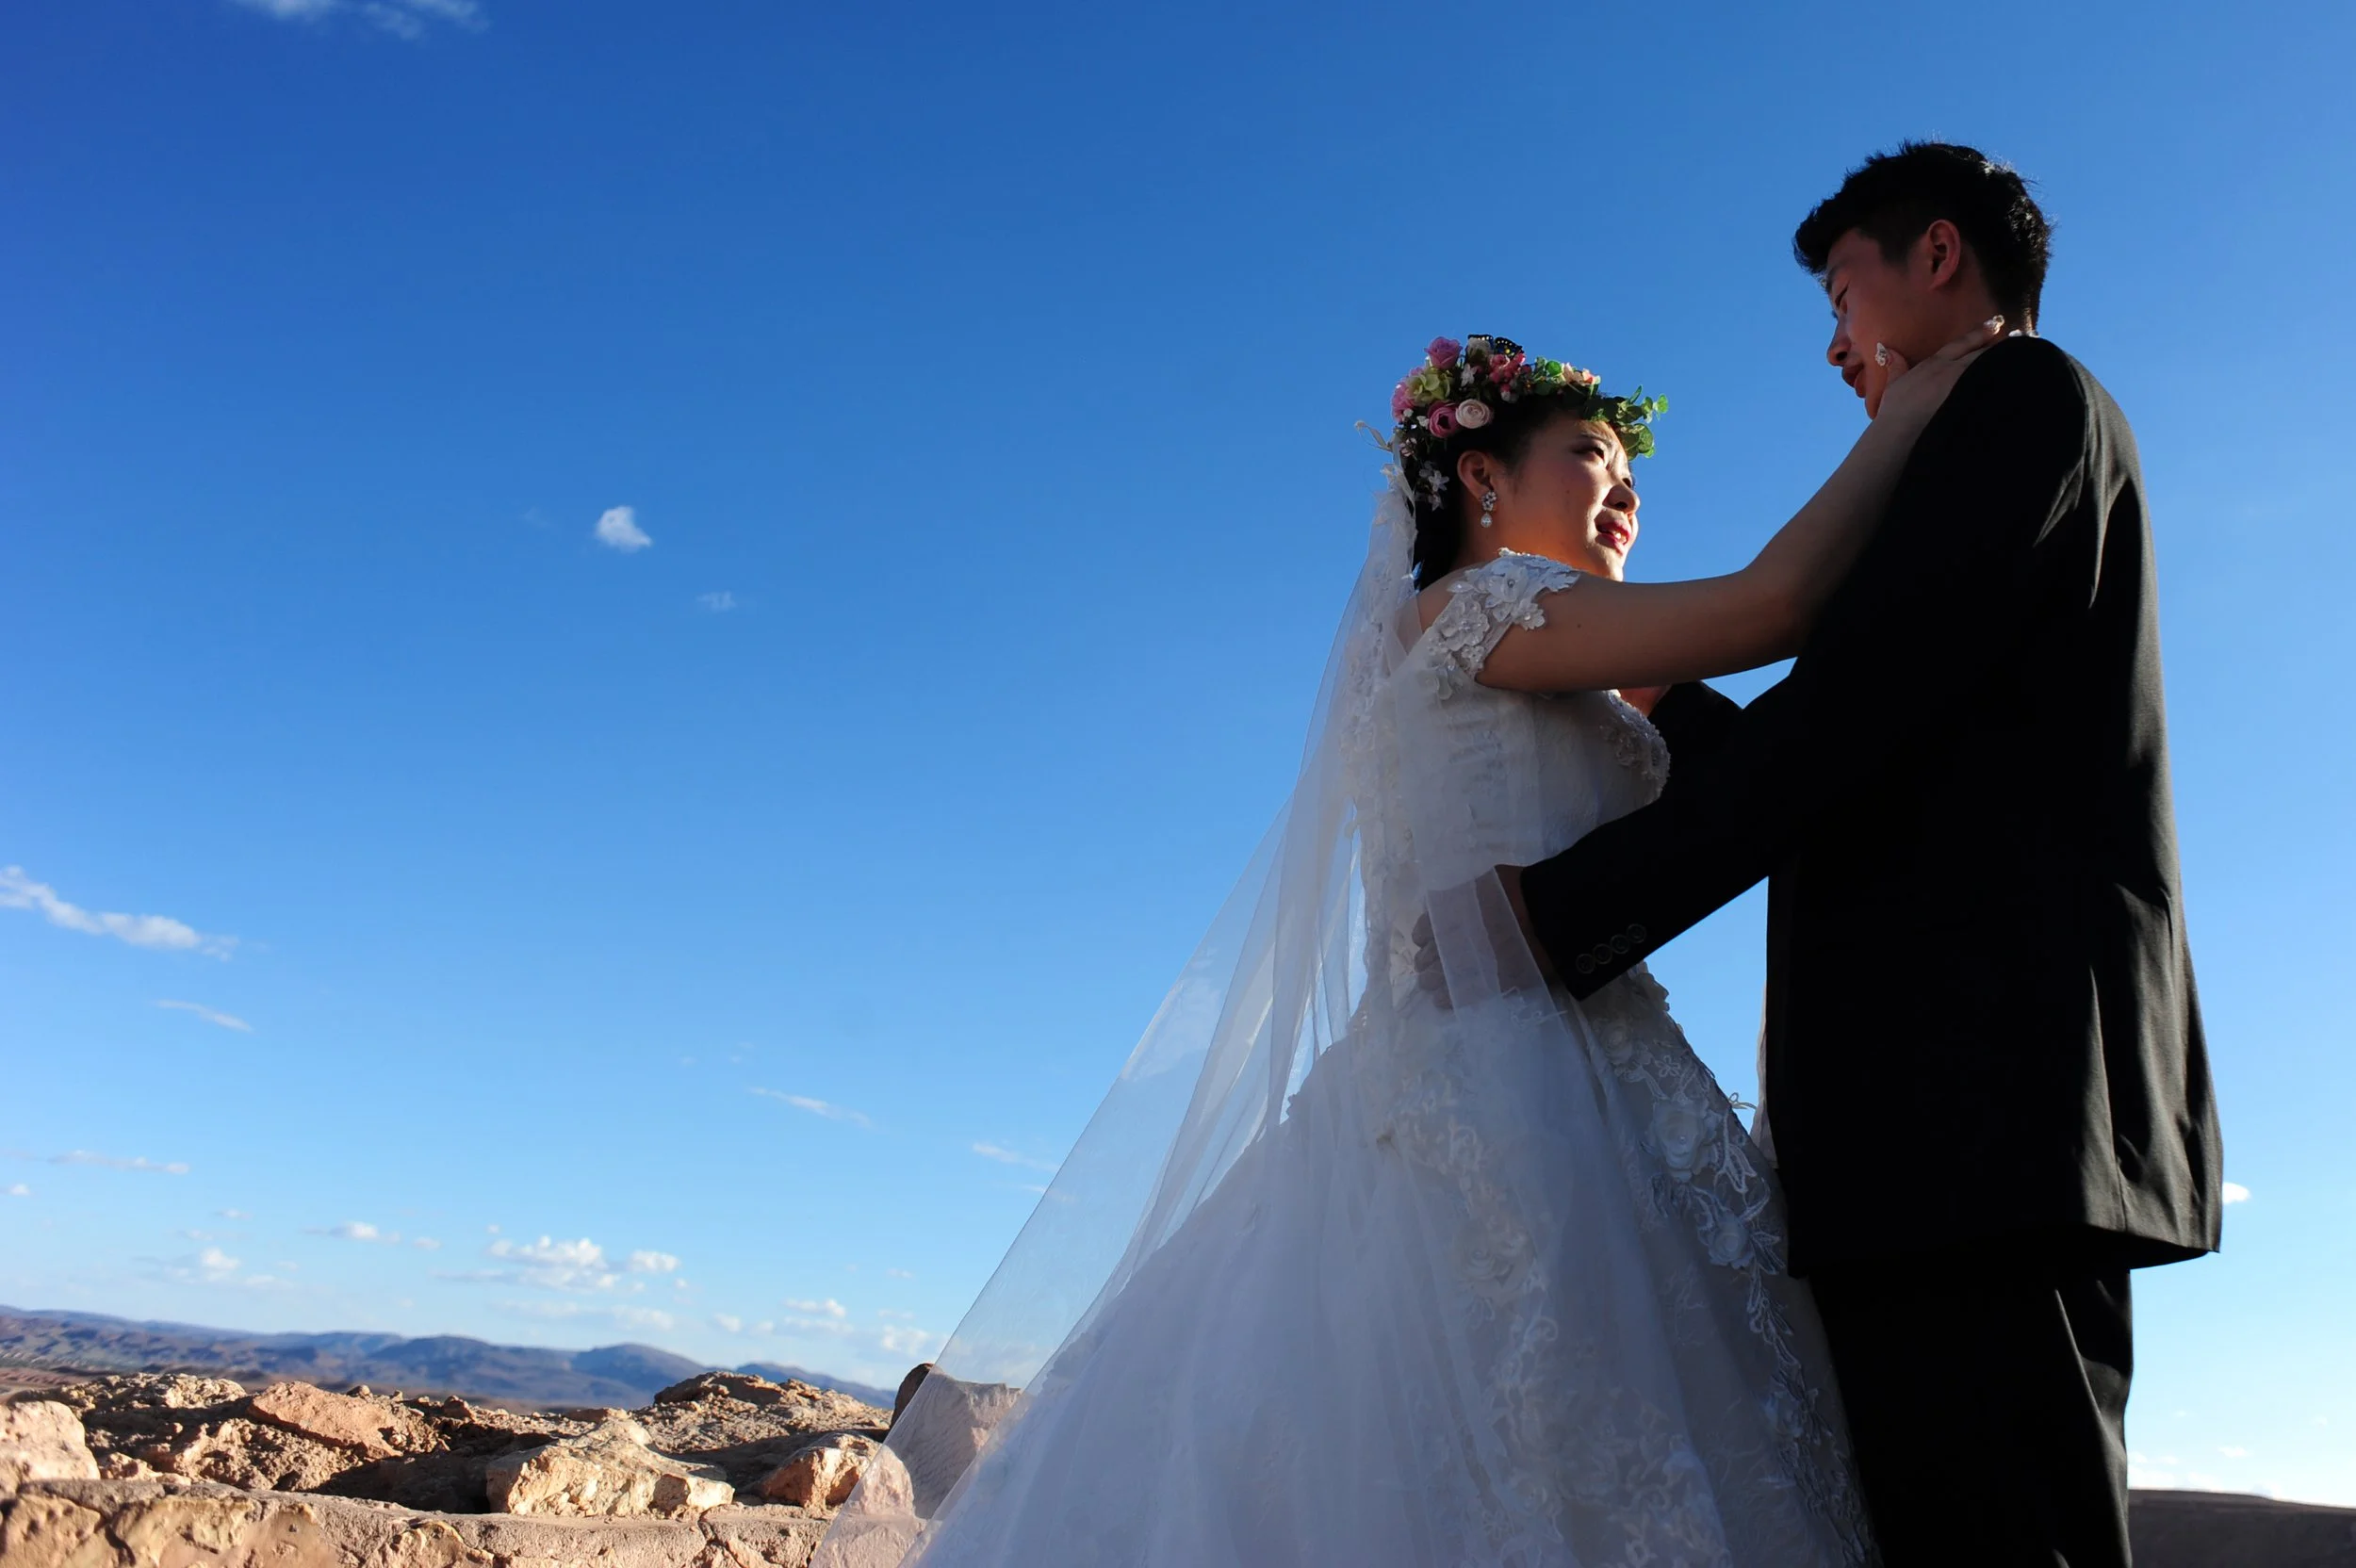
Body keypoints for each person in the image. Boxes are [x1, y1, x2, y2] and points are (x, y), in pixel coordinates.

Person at [813, 310, 2001, 1567]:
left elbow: (1715, 754)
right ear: (1484, 477)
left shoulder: (1468, 637)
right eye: (1596, 458)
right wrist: (1921, 410)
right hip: (1528, 1097)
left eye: (1638, 482)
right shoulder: (1483, 606)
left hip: (1484, 1061)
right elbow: (1775, 603)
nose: (1626, 496)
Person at [1499, 143, 2224, 1567]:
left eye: (1843, 293)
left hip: (1990, 1101)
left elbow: (1855, 725)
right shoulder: (1981, 441)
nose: (1834, 344)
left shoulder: (2024, 398)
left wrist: (1553, 916)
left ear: (1937, 257)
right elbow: (1880, 748)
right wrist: (1658, 694)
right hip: (1934, 1123)